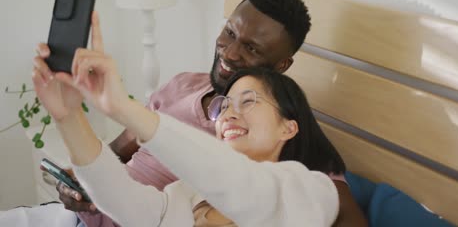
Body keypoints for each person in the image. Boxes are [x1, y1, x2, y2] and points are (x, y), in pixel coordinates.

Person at [32, 34, 346, 225]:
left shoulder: (312, 191)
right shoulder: (188, 191)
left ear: (288, 128)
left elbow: (245, 185)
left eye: (248, 102)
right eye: (223, 106)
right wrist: (68, 116)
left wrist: (124, 110)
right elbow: (126, 203)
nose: (229, 114)